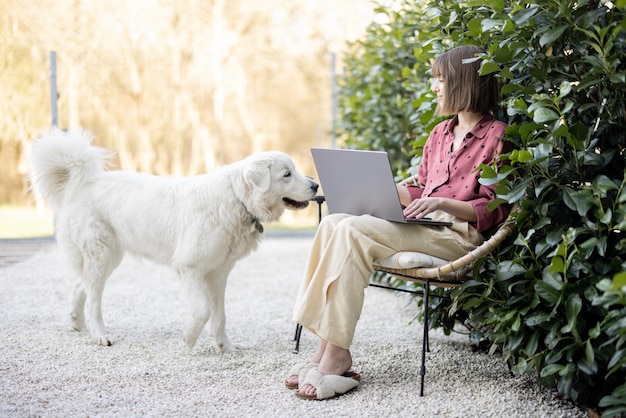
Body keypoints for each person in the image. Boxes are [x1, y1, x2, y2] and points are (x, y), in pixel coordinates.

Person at [285, 45, 512, 400]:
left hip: (459, 236)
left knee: (349, 229)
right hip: (423, 227)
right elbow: (421, 187)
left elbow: (494, 210)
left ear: (465, 82)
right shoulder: (439, 134)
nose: (435, 86)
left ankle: (336, 355)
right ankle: (325, 352)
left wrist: (442, 202)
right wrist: (375, 187)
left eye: (441, 79)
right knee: (334, 223)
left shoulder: (497, 135)